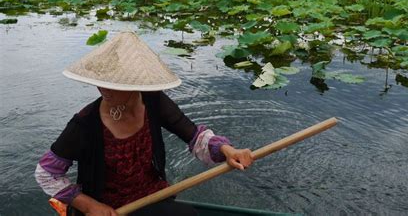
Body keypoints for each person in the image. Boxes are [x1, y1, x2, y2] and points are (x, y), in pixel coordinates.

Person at [35, 32, 254, 216]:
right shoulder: (84, 124)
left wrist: (227, 150)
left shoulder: (153, 101)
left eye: (114, 84)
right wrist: (89, 205)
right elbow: (46, 173)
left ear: (135, 84)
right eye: (101, 82)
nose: (103, 90)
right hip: (110, 211)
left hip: (153, 197)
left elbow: (195, 136)